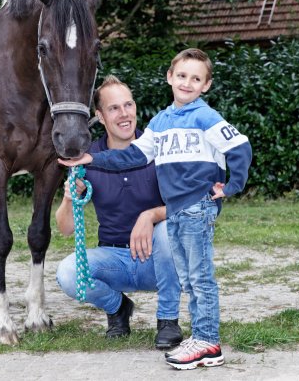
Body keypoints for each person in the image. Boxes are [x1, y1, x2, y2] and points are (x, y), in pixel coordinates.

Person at [58, 48, 252, 370]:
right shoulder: (160, 125)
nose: (187, 83)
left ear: (206, 85)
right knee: (192, 279)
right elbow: (133, 156)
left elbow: (239, 146)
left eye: (195, 78)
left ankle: (196, 335)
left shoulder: (198, 119)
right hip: (143, 238)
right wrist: (87, 167)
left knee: (198, 277)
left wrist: (233, 185)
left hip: (184, 224)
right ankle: (171, 327)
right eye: (181, 76)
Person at [55, 75, 183, 350]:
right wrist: (69, 199)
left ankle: (168, 320)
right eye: (114, 108)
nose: (124, 114)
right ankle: (118, 309)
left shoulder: (159, 147)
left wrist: (150, 216)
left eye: (128, 105)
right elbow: (66, 229)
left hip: (160, 260)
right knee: (67, 273)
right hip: (116, 260)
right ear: (100, 116)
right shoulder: (89, 158)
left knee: (167, 231)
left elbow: (187, 205)